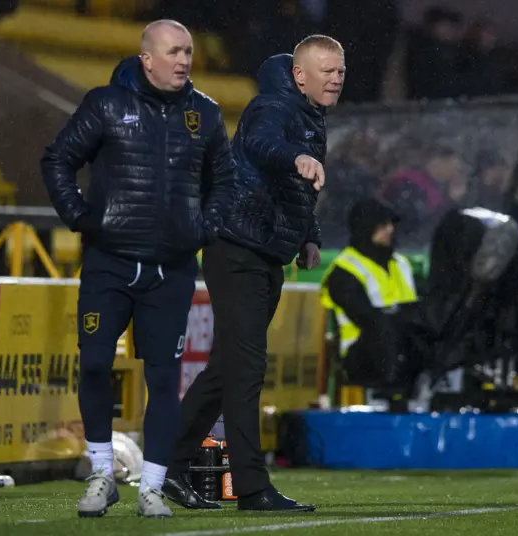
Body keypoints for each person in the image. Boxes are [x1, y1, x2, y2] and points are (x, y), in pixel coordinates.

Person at [40, 19, 234, 518]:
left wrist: (203, 229)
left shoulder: (206, 114)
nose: (184, 61)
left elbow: (225, 183)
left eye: (189, 51)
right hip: (110, 262)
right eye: (173, 52)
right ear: (146, 59)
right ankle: (103, 474)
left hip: (171, 270)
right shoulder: (106, 103)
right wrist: (81, 218)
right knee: (95, 363)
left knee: (164, 377)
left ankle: (152, 486)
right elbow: (57, 159)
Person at [164, 35, 345, 512]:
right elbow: (266, 147)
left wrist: (309, 235)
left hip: (264, 251)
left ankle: (166, 466)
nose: (336, 77)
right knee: (246, 371)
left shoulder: (308, 115)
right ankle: (251, 488)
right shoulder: (273, 107)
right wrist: (297, 157)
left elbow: (298, 190)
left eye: (340, 70)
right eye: (326, 70)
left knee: (226, 371)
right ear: (299, 75)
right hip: (237, 247)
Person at [320, 199, 418, 388]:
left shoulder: (401, 263)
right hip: (361, 353)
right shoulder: (344, 271)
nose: (390, 229)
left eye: (390, 224)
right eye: (382, 225)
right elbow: (367, 318)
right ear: (365, 227)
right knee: (383, 328)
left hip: (403, 344)